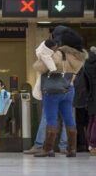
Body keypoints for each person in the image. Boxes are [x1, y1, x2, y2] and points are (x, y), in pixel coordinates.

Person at [32, 25, 87, 158]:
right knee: (69, 117)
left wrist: (43, 56)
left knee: (51, 118)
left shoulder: (59, 54)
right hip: (69, 89)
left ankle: (48, 149)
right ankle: (71, 149)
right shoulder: (80, 57)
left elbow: (39, 67)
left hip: (53, 90)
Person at [84, 39, 96, 155]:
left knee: (93, 119)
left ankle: (91, 145)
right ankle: (95, 145)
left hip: (92, 94)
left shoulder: (89, 60)